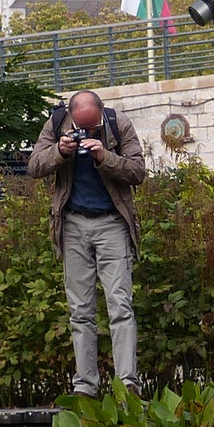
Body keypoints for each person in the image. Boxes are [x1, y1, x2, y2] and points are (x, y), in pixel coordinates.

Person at [28, 90, 146, 398]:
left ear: (101, 114)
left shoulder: (118, 124)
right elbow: (34, 166)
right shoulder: (55, 124)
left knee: (120, 306)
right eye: (82, 129)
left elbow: (138, 172)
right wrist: (61, 152)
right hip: (74, 225)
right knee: (80, 311)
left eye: (92, 128)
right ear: (70, 116)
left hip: (112, 223)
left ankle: (127, 384)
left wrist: (104, 157)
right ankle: (85, 386)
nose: (87, 134)